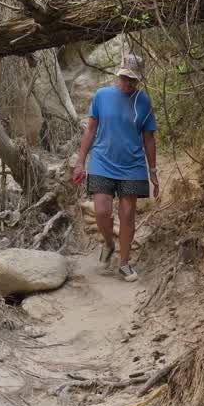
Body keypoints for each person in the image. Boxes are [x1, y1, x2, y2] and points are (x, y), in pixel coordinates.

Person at [71, 53, 159, 282]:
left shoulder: (143, 101)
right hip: (102, 161)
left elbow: (149, 138)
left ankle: (124, 263)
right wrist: (80, 161)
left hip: (132, 164)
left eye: (133, 79)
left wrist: (153, 171)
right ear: (119, 73)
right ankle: (109, 243)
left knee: (128, 213)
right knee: (101, 211)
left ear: (138, 80)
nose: (128, 83)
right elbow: (90, 130)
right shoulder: (102, 96)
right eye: (125, 77)